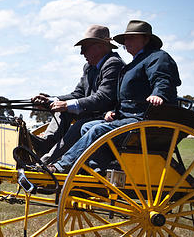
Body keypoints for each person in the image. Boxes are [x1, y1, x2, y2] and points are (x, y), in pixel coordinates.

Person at [49, 20, 181, 173]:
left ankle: (61, 166)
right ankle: (96, 168)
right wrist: (114, 112)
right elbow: (125, 97)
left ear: (146, 39)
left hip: (146, 120)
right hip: (130, 118)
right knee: (87, 126)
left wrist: (159, 94)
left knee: (97, 130)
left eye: (131, 37)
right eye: (125, 38)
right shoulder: (134, 63)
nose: (126, 42)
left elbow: (163, 79)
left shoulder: (158, 57)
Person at [31, 25, 124, 164]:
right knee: (61, 110)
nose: (82, 53)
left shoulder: (113, 64)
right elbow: (78, 93)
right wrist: (52, 100)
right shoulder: (89, 67)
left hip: (106, 116)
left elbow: (103, 98)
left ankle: (45, 162)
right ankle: (47, 143)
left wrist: (66, 105)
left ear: (100, 46)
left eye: (85, 48)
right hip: (91, 113)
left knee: (79, 123)